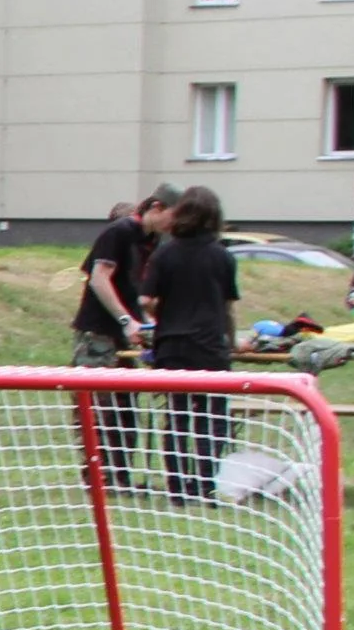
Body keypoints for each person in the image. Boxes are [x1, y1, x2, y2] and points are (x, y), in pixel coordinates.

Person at [71, 185, 181, 489]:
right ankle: (98, 478)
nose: (175, 226)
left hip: (126, 337)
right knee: (97, 409)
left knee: (125, 408)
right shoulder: (119, 232)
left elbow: (137, 291)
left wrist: (148, 323)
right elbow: (99, 278)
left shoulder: (154, 241)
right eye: (173, 216)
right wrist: (125, 320)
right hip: (98, 335)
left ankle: (120, 476)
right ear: (157, 207)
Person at [141, 185, 239, 505]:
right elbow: (227, 307)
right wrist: (232, 343)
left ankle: (178, 487)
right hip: (211, 347)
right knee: (212, 418)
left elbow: (146, 300)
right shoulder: (223, 256)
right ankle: (206, 484)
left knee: (177, 416)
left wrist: (165, 311)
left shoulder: (165, 254)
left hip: (173, 346)